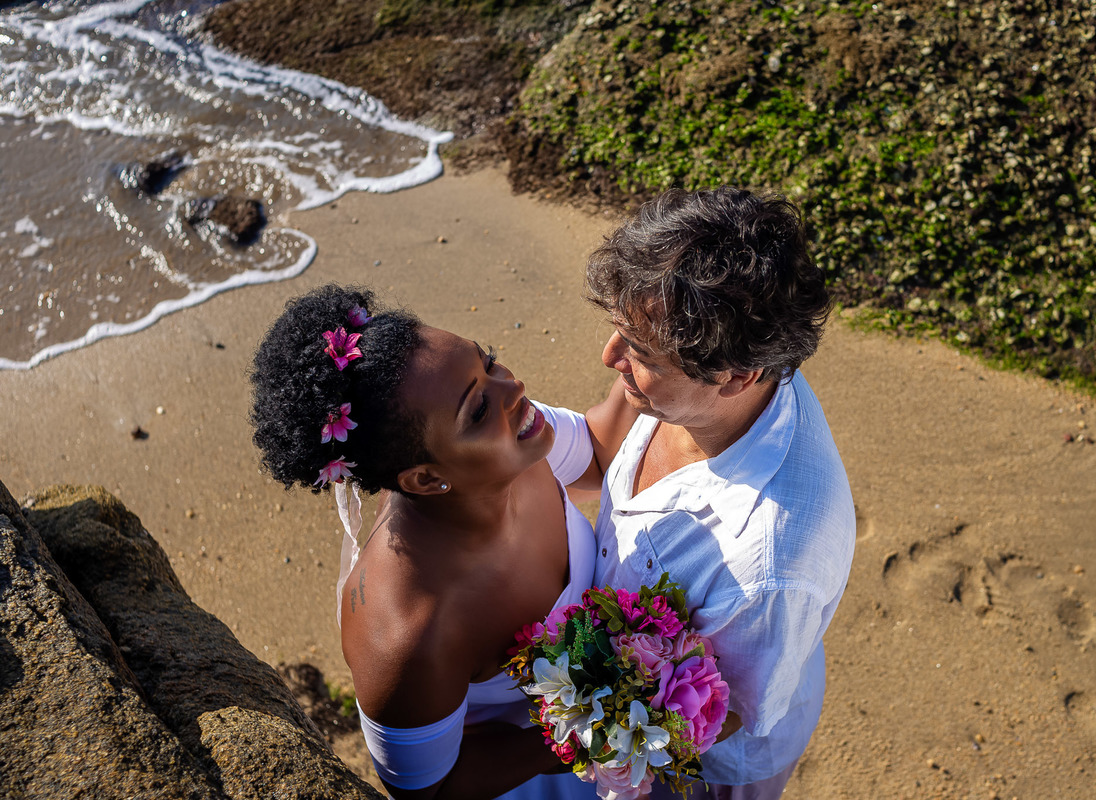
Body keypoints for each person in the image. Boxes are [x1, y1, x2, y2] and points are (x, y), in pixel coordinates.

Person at [248, 284, 632, 800]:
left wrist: (648, 347)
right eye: (476, 409)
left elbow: (596, 450)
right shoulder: (405, 636)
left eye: (489, 361)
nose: (513, 387)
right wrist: (598, 728)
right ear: (426, 479)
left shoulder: (511, 437)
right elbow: (428, 791)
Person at [585, 188, 856, 800]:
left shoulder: (766, 563)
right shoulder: (691, 380)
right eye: (618, 331)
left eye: (640, 351)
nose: (610, 358)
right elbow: (601, 453)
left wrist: (592, 736)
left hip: (708, 773)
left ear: (738, 375)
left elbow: (723, 711)